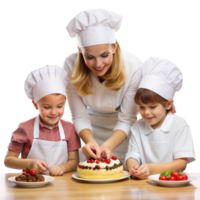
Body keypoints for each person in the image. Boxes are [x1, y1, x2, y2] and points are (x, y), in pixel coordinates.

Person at [63, 8, 175, 162]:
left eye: (104, 55)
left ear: (114, 47)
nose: (98, 64)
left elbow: (127, 119)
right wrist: (89, 141)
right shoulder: (70, 65)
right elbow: (79, 116)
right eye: (89, 57)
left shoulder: (133, 67)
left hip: (121, 134)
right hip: (88, 131)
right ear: (79, 50)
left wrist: (108, 145)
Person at [125, 57, 196, 179]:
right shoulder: (138, 126)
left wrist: (151, 169)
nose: (146, 112)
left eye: (152, 107)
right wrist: (133, 167)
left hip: (172, 187)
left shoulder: (179, 125)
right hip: (145, 187)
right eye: (142, 107)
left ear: (168, 104)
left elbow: (181, 163)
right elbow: (132, 155)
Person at [3, 64, 81, 176]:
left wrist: (62, 168)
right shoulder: (25, 129)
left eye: (60, 106)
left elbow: (74, 161)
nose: (54, 112)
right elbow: (8, 161)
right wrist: (29, 163)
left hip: (62, 185)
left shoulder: (69, 128)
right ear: (35, 105)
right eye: (47, 107)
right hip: (32, 184)